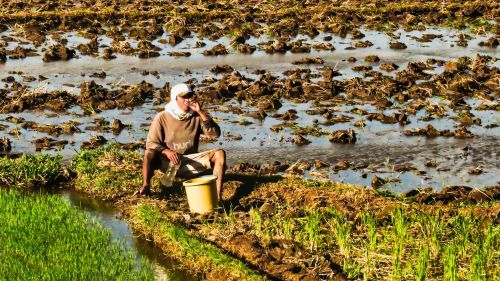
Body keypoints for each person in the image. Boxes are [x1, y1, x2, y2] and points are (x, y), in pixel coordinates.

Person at [136, 83, 226, 198]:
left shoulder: (196, 117)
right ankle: (146, 186)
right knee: (149, 152)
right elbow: (151, 143)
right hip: (169, 164)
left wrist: (200, 112)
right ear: (175, 99)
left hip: (190, 161)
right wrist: (166, 151)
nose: (187, 100)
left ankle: (217, 197)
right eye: (183, 97)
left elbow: (215, 134)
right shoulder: (162, 117)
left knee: (220, 154)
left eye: (189, 96)